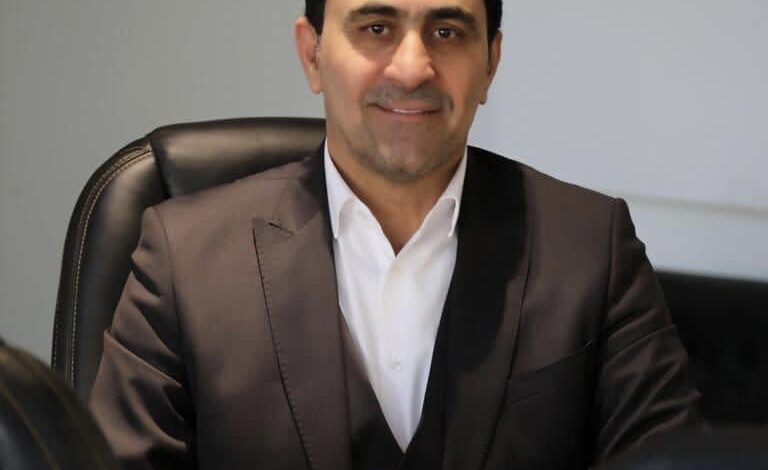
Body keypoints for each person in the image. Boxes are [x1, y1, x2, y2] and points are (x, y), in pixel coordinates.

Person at [89, 0, 703, 469]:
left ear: (490, 63)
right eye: (377, 27)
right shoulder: (184, 259)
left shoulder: (592, 248)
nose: (412, 68)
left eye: (448, 31)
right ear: (312, 55)